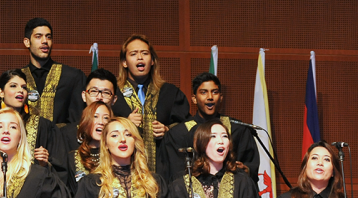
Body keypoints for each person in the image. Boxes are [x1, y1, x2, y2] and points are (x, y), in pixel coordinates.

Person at [157, 72, 259, 183]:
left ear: (220, 98)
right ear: (194, 99)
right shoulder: (179, 133)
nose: (210, 97)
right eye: (204, 92)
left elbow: (250, 166)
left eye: (214, 92)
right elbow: (171, 173)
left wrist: (247, 170)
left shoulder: (238, 130)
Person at [112, 34, 190, 173]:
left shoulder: (170, 93)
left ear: (152, 60)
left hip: (163, 170)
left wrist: (168, 130)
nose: (140, 57)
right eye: (133, 54)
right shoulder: (114, 93)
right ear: (124, 62)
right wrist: (125, 124)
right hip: (122, 172)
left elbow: (186, 126)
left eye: (145, 53)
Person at [0, 69, 73, 190]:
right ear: (1, 92)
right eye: (13, 86)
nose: (20, 90)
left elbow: (61, 170)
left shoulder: (43, 126)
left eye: (24, 87)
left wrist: (46, 163)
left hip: (33, 192)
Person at [21, 18, 85, 125]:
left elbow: (77, 121)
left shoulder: (72, 76)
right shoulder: (17, 78)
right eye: (38, 36)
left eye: (48, 37)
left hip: (61, 140)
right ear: (27, 42)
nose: (45, 41)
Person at [60, 68, 118, 153]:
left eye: (106, 93)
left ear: (114, 99)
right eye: (94, 91)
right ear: (84, 96)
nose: (99, 97)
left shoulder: (121, 134)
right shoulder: (66, 134)